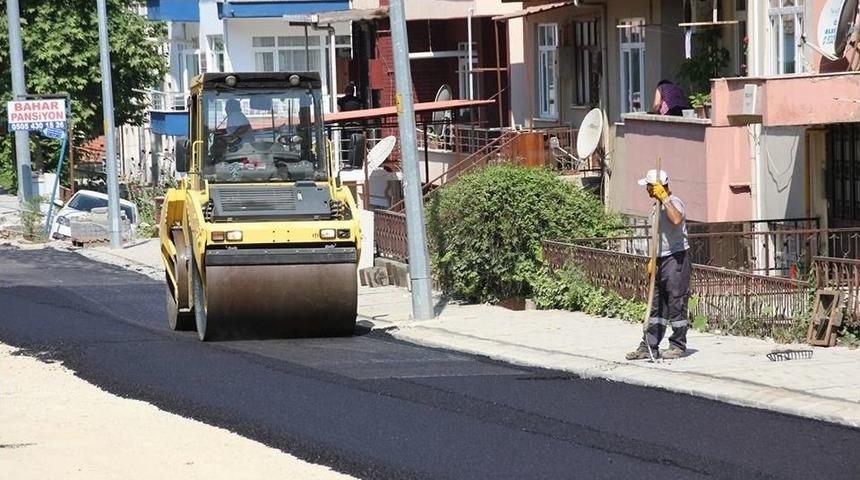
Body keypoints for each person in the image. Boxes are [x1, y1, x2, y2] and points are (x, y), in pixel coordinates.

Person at [626, 169, 692, 360]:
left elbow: (677, 219)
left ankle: (678, 345)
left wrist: (665, 199)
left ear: (656, 187)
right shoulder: (655, 206)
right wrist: (652, 259)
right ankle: (648, 345)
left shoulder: (673, 202)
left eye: (648, 186)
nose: (646, 190)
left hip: (676, 258)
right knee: (656, 305)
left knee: (676, 302)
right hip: (660, 259)